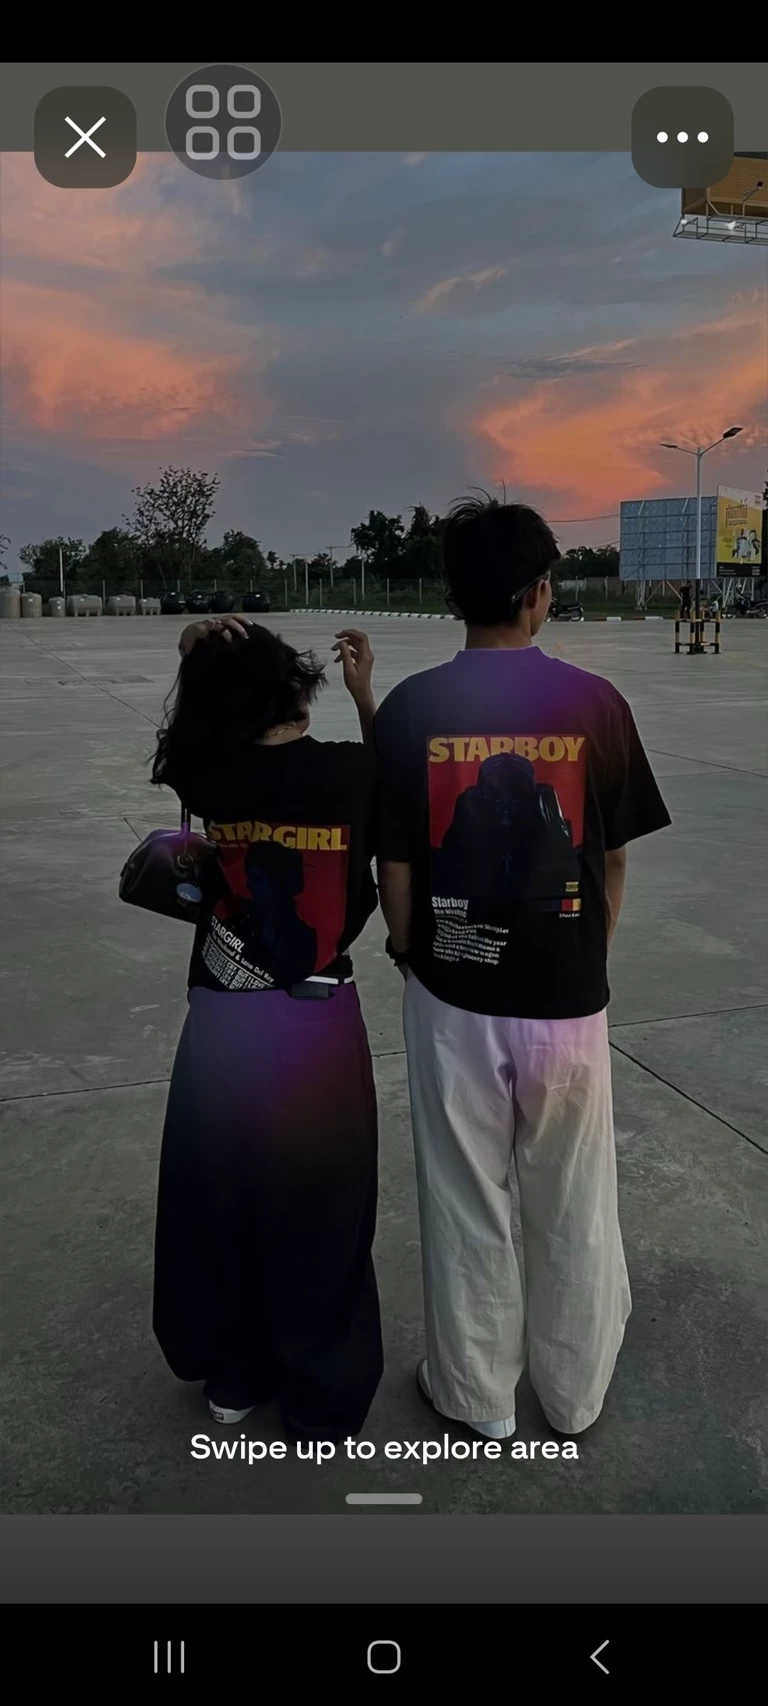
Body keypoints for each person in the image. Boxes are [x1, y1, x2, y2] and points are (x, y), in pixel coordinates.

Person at [375, 494, 671, 1440]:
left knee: (464, 1195)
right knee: (573, 1195)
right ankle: (574, 1395)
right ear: (541, 591)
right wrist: (587, 954)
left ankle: (475, 1397)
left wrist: (409, 951)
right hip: (568, 996)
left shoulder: (413, 707)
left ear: (452, 595)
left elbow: (397, 868)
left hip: (451, 993)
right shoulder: (594, 703)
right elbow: (612, 860)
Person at [150, 616, 383, 1441]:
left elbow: (182, 735)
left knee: (220, 1196)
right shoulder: (350, 773)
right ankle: (321, 1390)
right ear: (298, 692)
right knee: (320, 1207)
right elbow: (394, 782)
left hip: (220, 1016)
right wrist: (365, 696)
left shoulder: (206, 772)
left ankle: (234, 1369)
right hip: (315, 1019)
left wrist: (196, 655)